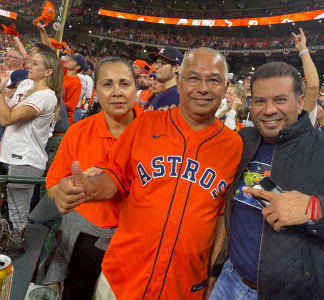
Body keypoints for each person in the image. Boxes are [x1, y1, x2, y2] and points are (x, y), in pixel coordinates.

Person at [53, 47, 243, 300]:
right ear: (180, 80)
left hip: (184, 285)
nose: (203, 88)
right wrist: (88, 188)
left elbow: (222, 219)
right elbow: (115, 176)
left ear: (226, 86)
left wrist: (212, 275)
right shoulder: (146, 124)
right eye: (194, 78)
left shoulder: (235, 146)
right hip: (123, 277)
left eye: (214, 80)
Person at [208, 61, 324, 300]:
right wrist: (217, 269)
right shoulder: (244, 140)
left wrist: (314, 210)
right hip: (229, 280)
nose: (269, 109)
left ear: (299, 103)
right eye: (260, 101)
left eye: (280, 100)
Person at [44, 57, 138, 300]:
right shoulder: (79, 132)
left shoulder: (155, 130)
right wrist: (67, 191)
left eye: (124, 84)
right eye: (107, 84)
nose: (117, 92)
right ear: (96, 92)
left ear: (136, 89)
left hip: (136, 240)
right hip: (85, 237)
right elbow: (54, 184)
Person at [0, 51, 63, 234]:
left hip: (25, 158)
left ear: (48, 72)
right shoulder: (28, 85)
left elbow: (7, 119)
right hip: (15, 154)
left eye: (35, 64)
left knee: (18, 215)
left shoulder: (45, 95)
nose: (28, 65)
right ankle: (16, 246)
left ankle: (21, 252)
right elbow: (8, 110)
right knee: (14, 212)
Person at [146, 46, 183, 111]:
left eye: (162, 63)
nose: (156, 66)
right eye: (157, 62)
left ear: (176, 68)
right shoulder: (165, 91)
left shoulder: (174, 94)